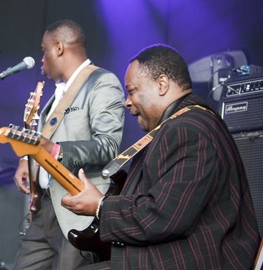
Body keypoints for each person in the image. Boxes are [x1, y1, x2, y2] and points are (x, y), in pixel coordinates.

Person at [61, 44, 261, 270]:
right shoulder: (183, 126)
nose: (127, 102)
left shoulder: (188, 129)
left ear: (162, 84)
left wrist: (100, 206)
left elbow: (164, 216)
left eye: (133, 90)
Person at [13, 19, 125, 270]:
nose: (41, 59)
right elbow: (45, 139)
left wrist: (57, 151)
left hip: (78, 210)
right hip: (46, 208)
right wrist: (25, 162)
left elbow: (108, 145)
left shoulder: (102, 82)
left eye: (44, 50)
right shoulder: (57, 94)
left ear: (59, 48)